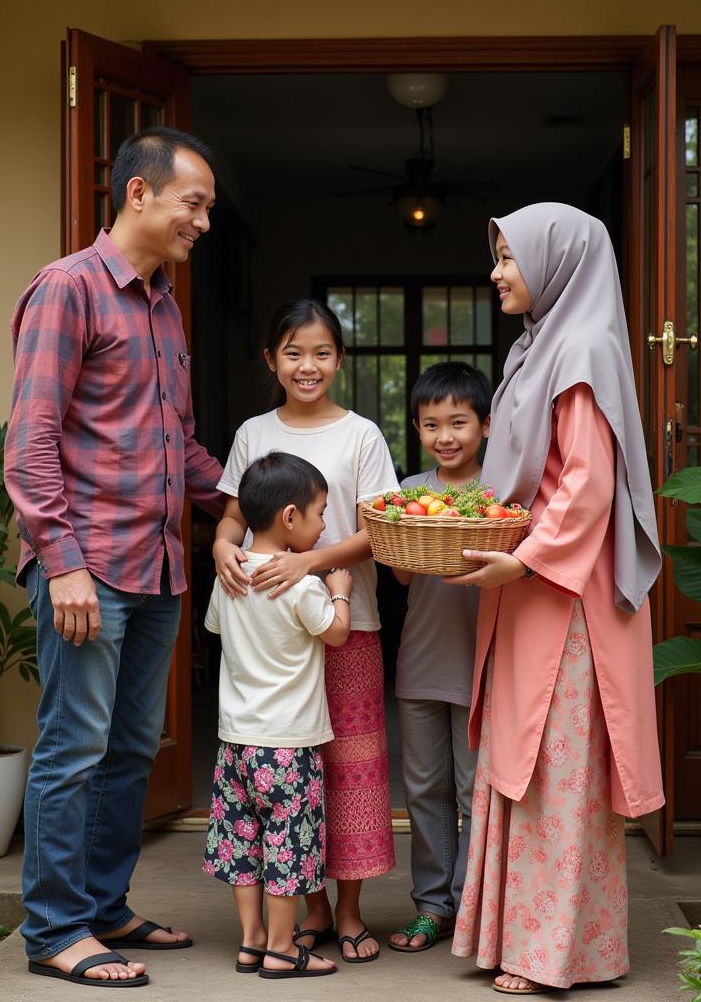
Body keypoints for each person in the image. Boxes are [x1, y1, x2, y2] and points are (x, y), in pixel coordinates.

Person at [4, 126, 223, 988]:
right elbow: (30, 445)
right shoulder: (69, 289)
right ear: (140, 194)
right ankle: (55, 931)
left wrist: (256, 500)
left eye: (207, 208)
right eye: (193, 204)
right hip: (86, 568)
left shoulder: (163, 302)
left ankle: (101, 907)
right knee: (74, 749)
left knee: (131, 749)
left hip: (158, 565)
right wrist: (61, 563)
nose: (202, 222)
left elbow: (181, 447)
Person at [446, 203, 665, 995]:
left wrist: (525, 559)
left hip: (565, 599)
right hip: (535, 589)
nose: (498, 272)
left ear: (558, 260)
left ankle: (552, 956)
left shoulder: (580, 347)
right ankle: (538, 943)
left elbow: (586, 489)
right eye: (497, 255)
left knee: (557, 767)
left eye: (510, 257)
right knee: (525, 764)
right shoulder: (542, 345)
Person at [212, 299, 398, 963]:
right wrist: (219, 550)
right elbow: (233, 521)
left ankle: (348, 912)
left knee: (348, 773)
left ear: (339, 359)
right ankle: (307, 912)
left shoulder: (362, 436)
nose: (307, 365)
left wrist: (309, 564)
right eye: (293, 352)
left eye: (321, 352)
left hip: (347, 624)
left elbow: (381, 533)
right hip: (272, 629)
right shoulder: (254, 434)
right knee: (288, 777)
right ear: (271, 360)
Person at [203, 451, 352, 979]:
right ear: (290, 517)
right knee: (288, 845)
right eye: (319, 513)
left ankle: (251, 941)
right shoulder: (301, 583)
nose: (325, 524)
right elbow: (334, 633)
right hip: (289, 744)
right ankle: (284, 948)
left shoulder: (231, 573)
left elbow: (219, 630)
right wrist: (340, 593)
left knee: (244, 840)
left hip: (235, 742)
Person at [387, 361, 491, 954]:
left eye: (458, 422)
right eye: (431, 424)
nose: (445, 436)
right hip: (421, 662)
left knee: (476, 789)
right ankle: (431, 906)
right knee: (424, 789)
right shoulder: (409, 493)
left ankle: (472, 905)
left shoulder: (501, 494)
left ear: (483, 424)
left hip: (483, 667)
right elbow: (401, 574)